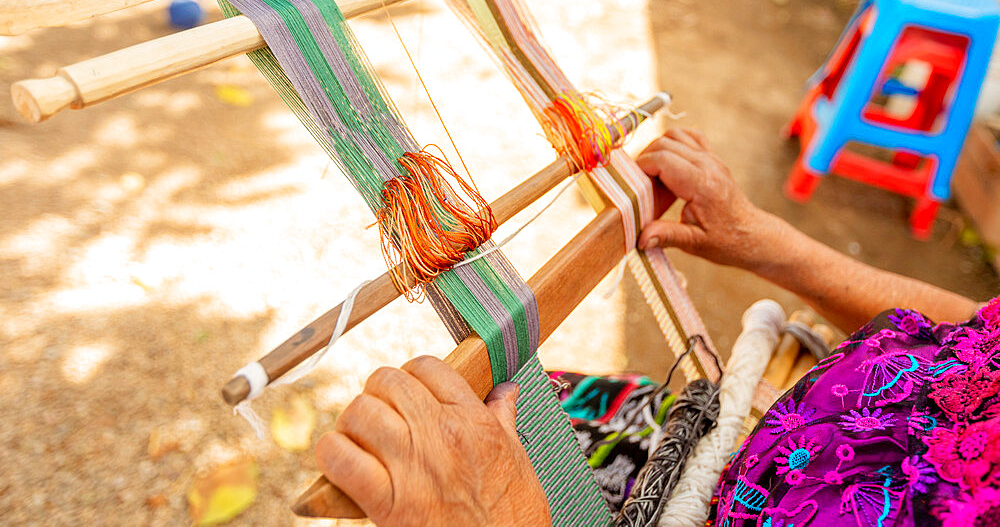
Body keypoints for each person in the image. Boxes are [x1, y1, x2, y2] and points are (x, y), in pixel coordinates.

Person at [313, 129, 996, 526]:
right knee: (506, 410)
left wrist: (499, 509)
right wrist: (768, 242)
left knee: (431, 465)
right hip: (729, 434)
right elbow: (974, 336)